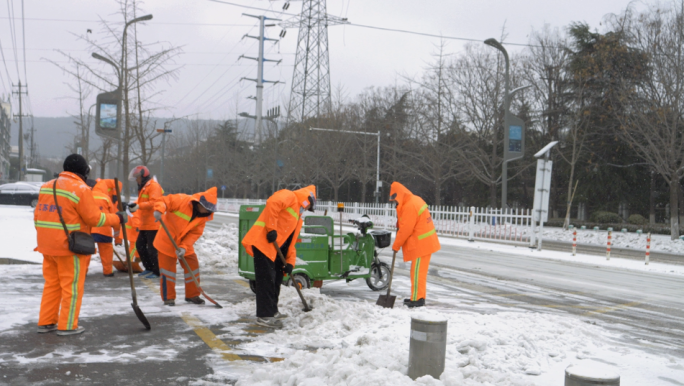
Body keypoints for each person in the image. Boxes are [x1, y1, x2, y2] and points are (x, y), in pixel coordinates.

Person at [35, 154, 128, 336]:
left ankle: (46, 322)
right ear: (84, 171)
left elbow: (38, 216)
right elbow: (95, 218)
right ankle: (68, 326)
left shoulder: (46, 186)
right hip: (70, 247)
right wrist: (117, 218)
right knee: (71, 286)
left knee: (52, 285)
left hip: (47, 246)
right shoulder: (81, 189)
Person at [241, 186, 317, 328]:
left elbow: (291, 243)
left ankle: (272, 310)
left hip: (276, 250)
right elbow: (272, 203)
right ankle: (264, 316)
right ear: (308, 200)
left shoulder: (297, 219)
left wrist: (290, 263)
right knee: (266, 281)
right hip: (263, 243)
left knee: (276, 280)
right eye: (308, 207)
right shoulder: (290, 196)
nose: (305, 210)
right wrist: (271, 229)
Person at [152, 187, 217, 306]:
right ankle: (169, 298)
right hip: (167, 241)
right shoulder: (181, 200)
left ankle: (192, 295)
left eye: (210, 209)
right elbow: (163, 201)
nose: (207, 211)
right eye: (206, 208)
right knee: (168, 272)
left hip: (184, 244)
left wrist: (184, 247)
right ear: (199, 203)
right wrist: (159, 210)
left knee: (193, 266)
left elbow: (194, 233)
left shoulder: (203, 217)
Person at [389, 182, 441, 308]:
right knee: (418, 272)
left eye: (395, 201)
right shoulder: (414, 200)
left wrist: (396, 245)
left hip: (421, 244)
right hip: (424, 242)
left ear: (399, 195)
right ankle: (418, 297)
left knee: (417, 272)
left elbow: (406, 230)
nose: (395, 204)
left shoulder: (409, 206)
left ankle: (417, 299)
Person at [127, 165, 163, 279]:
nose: (137, 180)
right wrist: (133, 205)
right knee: (140, 246)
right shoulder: (143, 187)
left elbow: (154, 203)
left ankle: (157, 271)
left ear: (143, 176)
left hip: (153, 223)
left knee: (153, 249)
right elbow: (142, 202)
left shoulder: (153, 186)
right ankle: (148, 268)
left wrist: (138, 206)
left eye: (138, 177)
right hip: (145, 223)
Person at [91, 179, 122, 277]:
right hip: (104, 230)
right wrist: (118, 240)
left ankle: (82, 272)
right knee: (106, 252)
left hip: (89, 230)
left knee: (86, 252)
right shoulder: (106, 198)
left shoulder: (87, 196)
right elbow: (115, 219)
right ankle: (108, 272)